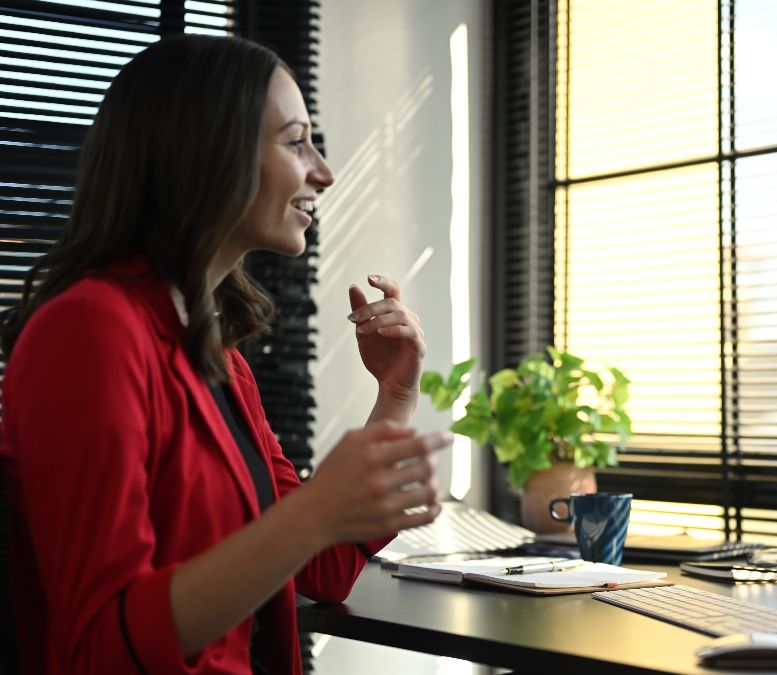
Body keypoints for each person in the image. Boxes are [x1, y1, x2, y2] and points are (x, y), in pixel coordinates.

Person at [0, 36, 450, 675]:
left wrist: (395, 394)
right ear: (207, 154)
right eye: (296, 143)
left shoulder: (219, 356)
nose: (323, 172)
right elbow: (101, 645)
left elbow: (324, 568)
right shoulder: (88, 331)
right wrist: (312, 515)